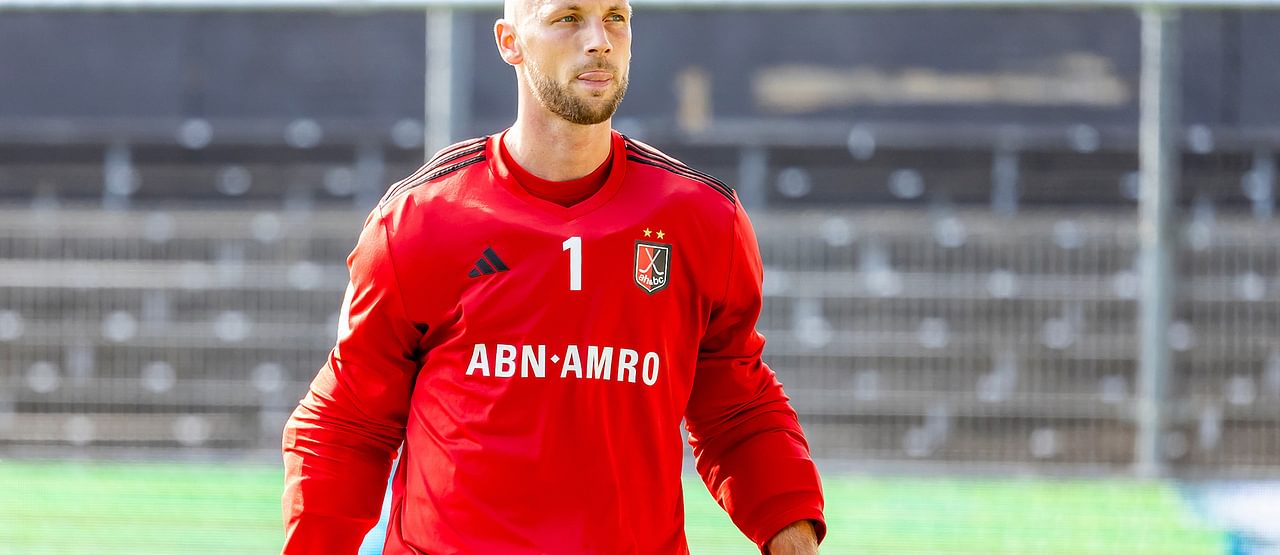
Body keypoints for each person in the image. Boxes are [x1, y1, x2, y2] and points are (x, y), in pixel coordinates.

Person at [281, 0, 825, 552]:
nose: (599, 39)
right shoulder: (421, 219)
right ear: (509, 42)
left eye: (615, 17)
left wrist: (794, 539)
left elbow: (738, 410)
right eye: (568, 18)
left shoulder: (702, 219)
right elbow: (346, 425)